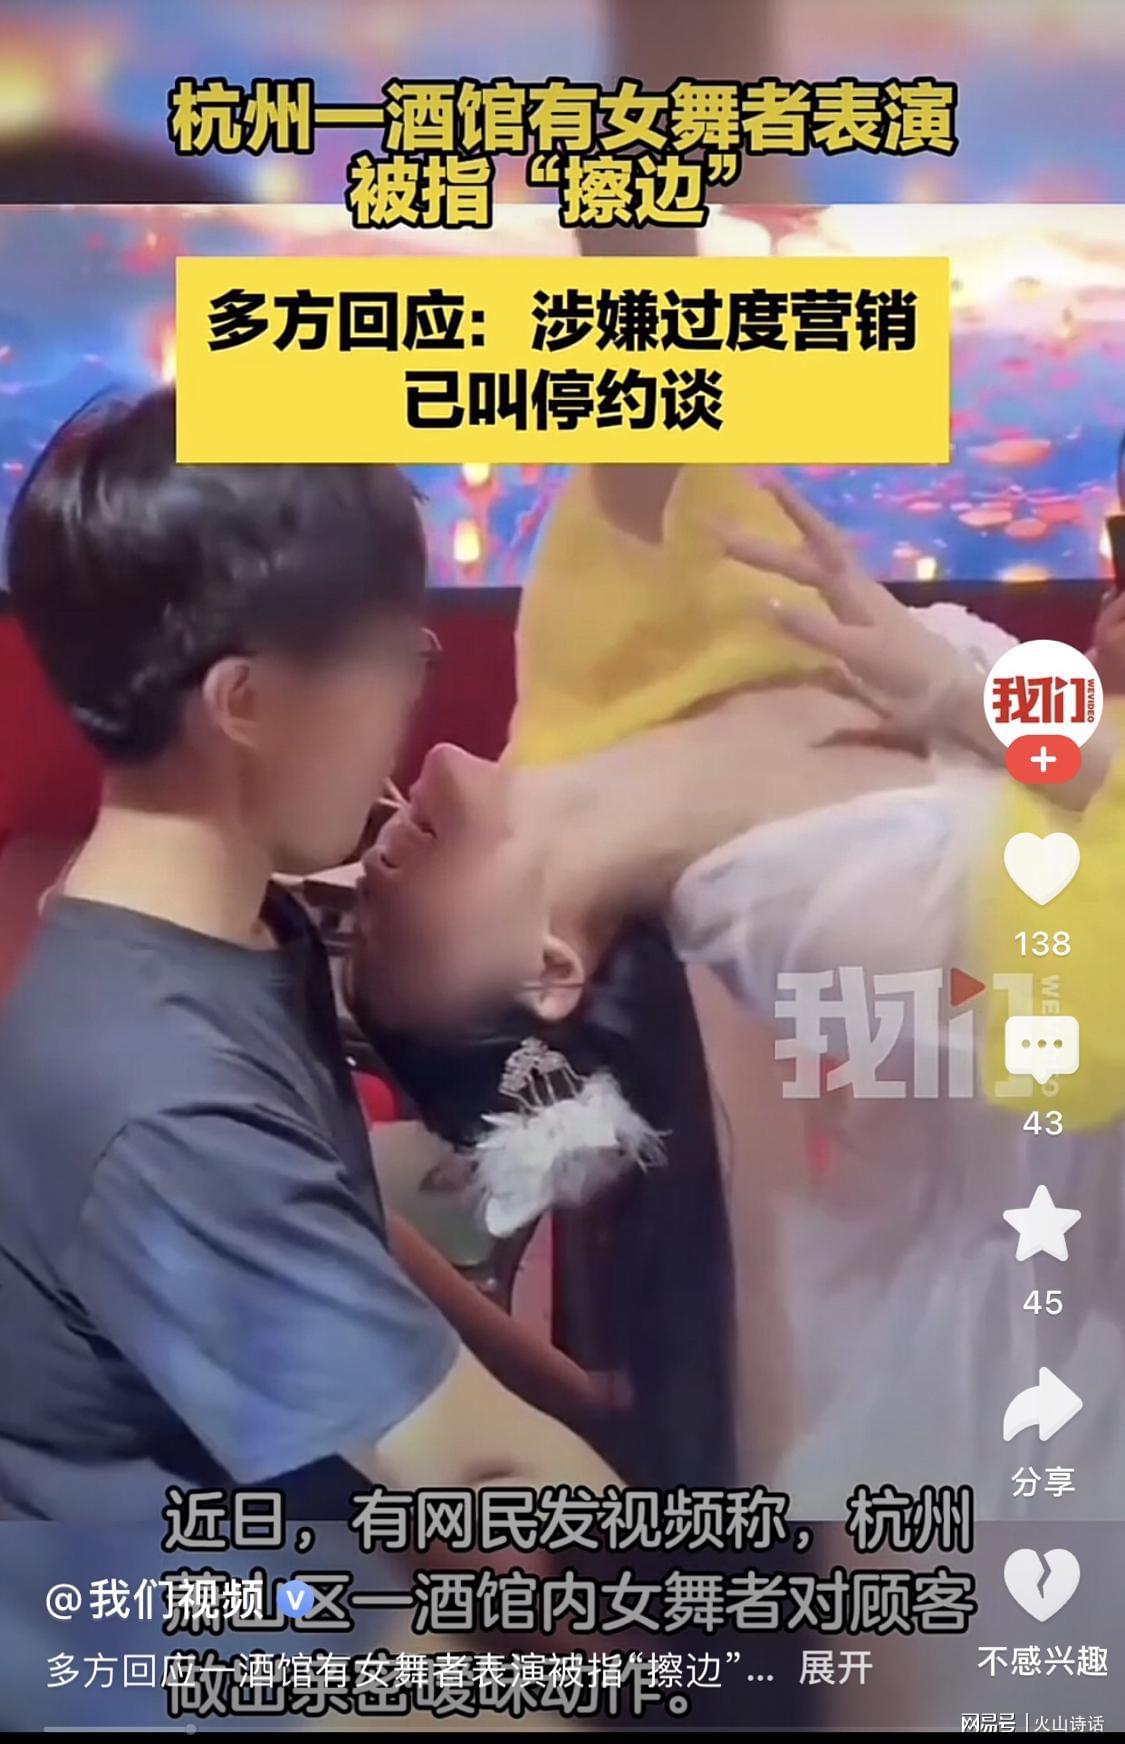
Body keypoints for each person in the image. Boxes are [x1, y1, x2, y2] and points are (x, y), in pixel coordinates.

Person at [349, 461, 1125, 1527]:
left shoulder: (585, 665)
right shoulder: (822, 928)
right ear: (550, 972)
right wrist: (970, 701)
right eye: (383, 946)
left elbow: (655, 378)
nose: (369, 881)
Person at [0, 386, 618, 1521]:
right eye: (399, 658)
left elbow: (337, 1217)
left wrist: (578, 1398)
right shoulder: (161, 1099)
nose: (411, 719)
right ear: (245, 700)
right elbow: (478, 1471)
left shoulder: (235, 927)